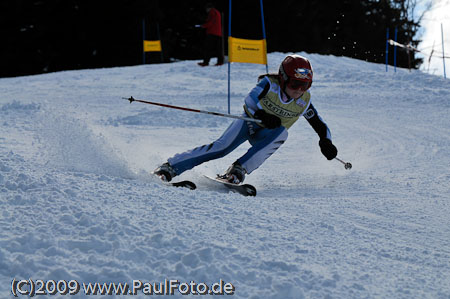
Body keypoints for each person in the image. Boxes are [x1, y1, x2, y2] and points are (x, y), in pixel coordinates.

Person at [155, 54, 338, 183]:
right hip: (248, 123)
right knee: (221, 148)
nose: (299, 90)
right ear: (283, 78)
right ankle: (170, 167)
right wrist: (261, 114)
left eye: (305, 85)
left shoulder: (303, 101)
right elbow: (250, 99)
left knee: (282, 133)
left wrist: (326, 141)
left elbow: (319, 124)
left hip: (265, 133)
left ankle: (238, 170)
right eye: (295, 83)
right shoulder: (269, 84)